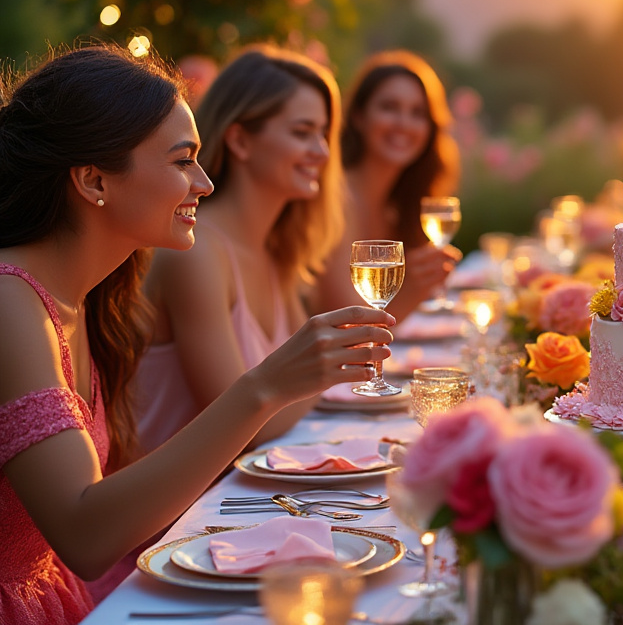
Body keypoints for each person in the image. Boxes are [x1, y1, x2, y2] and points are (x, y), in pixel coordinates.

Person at [0, 45, 391, 624]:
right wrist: (263, 388)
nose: (204, 184)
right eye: (182, 161)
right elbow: (85, 535)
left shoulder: (89, 299)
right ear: (92, 179)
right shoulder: (10, 300)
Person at [135, 46, 348, 454]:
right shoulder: (195, 253)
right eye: (303, 132)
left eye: (323, 134)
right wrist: (327, 376)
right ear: (240, 140)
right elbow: (246, 433)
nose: (321, 151)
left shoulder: (275, 249)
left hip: (240, 500)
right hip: (181, 515)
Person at [312, 51, 461, 320]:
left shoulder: (398, 206)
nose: (404, 124)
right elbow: (348, 324)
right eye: (389, 107)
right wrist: (413, 290)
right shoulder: (332, 198)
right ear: (358, 116)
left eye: (417, 113)